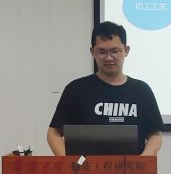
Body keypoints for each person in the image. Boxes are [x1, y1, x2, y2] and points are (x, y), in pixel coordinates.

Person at [48, 21, 163, 157]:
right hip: (85, 169)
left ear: (126, 50)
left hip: (132, 169)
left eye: (115, 51)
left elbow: (155, 134)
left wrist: (144, 159)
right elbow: (53, 133)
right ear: (93, 52)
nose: (109, 58)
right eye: (102, 52)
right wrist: (70, 164)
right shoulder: (76, 89)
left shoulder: (142, 90)